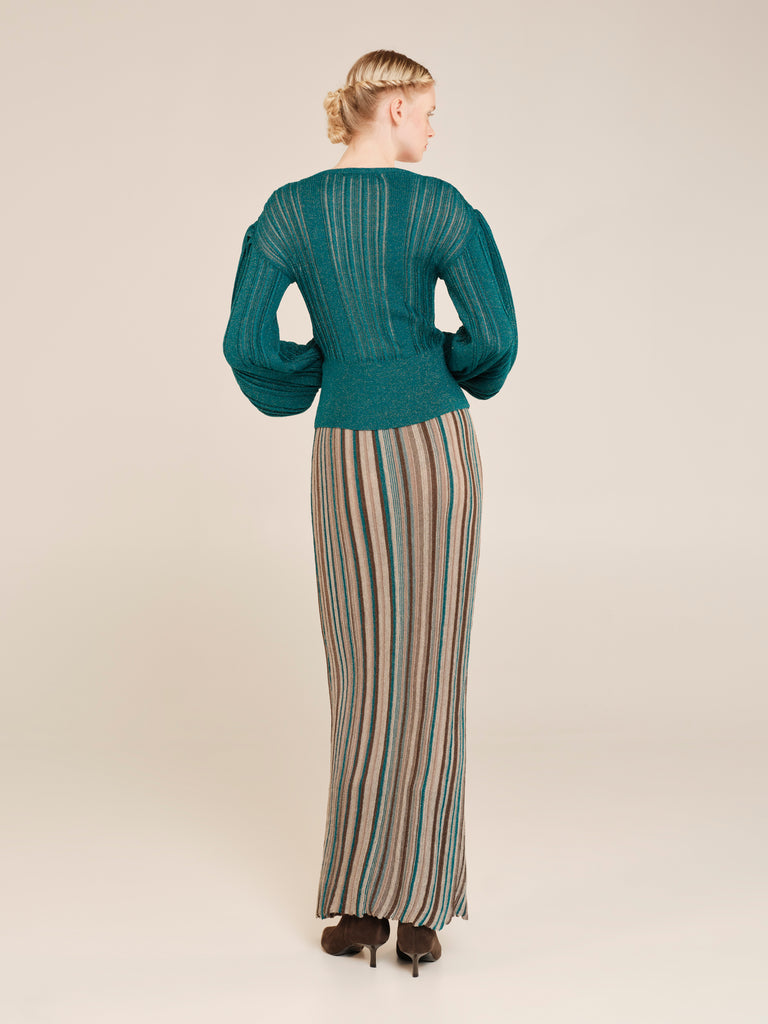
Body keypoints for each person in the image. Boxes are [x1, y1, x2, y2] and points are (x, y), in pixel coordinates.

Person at [222, 49, 518, 978]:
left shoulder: (289, 212)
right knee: (432, 668)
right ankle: (422, 908)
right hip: (435, 449)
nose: (432, 126)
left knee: (359, 668)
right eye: (427, 110)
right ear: (392, 108)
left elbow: (246, 344)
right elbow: (496, 338)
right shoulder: (439, 209)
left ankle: (358, 904)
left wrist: (326, 370)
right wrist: (435, 360)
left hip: (346, 451)